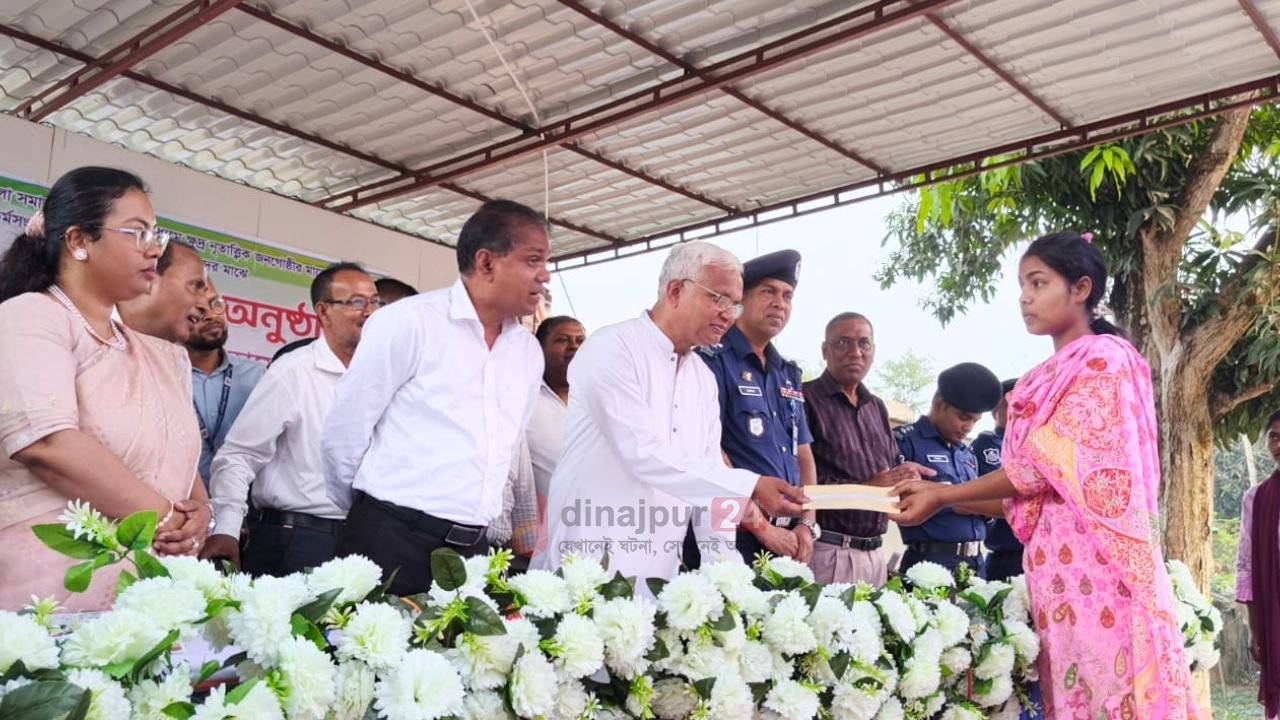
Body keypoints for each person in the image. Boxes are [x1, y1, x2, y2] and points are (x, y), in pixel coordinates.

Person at [893, 231, 1201, 719]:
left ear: (1081, 289)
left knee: (1115, 695)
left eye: (1038, 283)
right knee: (1073, 699)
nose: (1024, 297)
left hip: (1101, 572)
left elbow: (1040, 467)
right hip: (1054, 577)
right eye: (1021, 285)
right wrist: (938, 495)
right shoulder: (1041, 377)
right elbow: (1025, 495)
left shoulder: (1105, 359)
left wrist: (944, 493)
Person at [533, 241, 808, 585]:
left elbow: (710, 482)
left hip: (658, 576)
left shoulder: (703, 378)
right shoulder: (612, 348)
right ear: (676, 290)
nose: (728, 314)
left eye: (735, 305)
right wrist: (751, 484)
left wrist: (728, 578)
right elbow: (642, 453)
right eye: (718, 298)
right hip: (587, 561)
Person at [0, 167, 210, 610]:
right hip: (50, 596)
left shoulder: (161, 355)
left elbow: (175, 453)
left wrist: (199, 514)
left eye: (156, 234)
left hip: (149, 597)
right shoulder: (31, 317)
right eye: (136, 233)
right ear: (78, 241)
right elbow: (47, 443)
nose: (154, 249)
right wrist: (167, 518)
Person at [324, 200, 550, 596]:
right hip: (390, 539)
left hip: (474, 551)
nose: (545, 275)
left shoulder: (528, 353)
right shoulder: (408, 323)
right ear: (486, 263)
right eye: (533, 260)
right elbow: (345, 431)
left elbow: (506, 450)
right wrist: (371, 512)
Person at [203, 263, 379, 575]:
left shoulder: (380, 379)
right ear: (323, 312)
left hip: (359, 544)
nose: (369, 311)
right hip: (295, 541)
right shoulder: (294, 372)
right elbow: (240, 456)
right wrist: (226, 527)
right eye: (356, 302)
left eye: (375, 302)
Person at [690, 249, 817, 567]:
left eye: (787, 296)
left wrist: (806, 523)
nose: (780, 303)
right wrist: (760, 526)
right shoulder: (710, 361)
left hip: (789, 538)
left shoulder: (787, 373)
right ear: (739, 301)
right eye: (768, 292)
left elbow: (803, 457)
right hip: (732, 533)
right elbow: (710, 452)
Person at [804, 312, 934, 586]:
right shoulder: (805, 399)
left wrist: (905, 475)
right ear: (825, 350)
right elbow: (799, 482)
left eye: (864, 344)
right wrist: (866, 487)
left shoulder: (876, 407)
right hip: (828, 550)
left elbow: (888, 470)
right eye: (843, 342)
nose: (855, 352)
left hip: (875, 554)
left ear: (873, 351)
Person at [893, 362, 1001, 576]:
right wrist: (967, 502)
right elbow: (901, 500)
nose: (968, 427)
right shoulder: (906, 441)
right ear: (939, 404)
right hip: (930, 565)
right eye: (963, 417)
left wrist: (947, 495)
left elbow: (987, 509)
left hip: (974, 563)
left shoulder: (967, 453)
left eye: (975, 421)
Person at [185, 282, 266, 486]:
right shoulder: (163, 372)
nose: (212, 315)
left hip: (244, 504)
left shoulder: (258, 376)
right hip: (179, 502)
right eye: (199, 309)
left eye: (216, 304)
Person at [1237, 410, 1280, 720]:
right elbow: (1247, 567)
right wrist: (1255, 630)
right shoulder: (1256, 498)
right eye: (1273, 436)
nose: (1279, 443)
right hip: (1275, 613)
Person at [972, 377, 1024, 581]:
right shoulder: (986, 447)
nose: (1021, 413)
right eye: (1014, 406)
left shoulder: (1037, 447)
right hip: (1006, 557)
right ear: (996, 412)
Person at [528, 315, 586, 500]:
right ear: (539, 349)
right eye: (563, 340)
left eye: (580, 341)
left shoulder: (599, 401)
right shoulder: (524, 400)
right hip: (540, 521)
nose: (574, 347)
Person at [117, 240, 211, 343]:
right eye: (196, 286)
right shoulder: (97, 332)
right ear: (149, 277)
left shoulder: (172, 357)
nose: (205, 307)